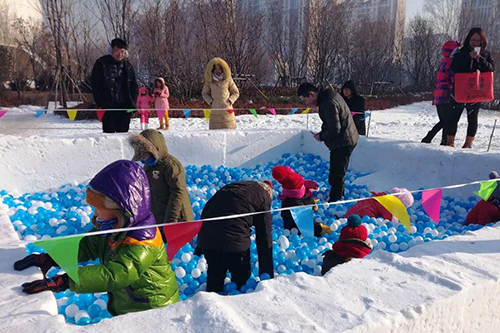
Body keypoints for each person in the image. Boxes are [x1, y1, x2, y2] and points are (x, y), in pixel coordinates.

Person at [15, 160, 180, 315]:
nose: (95, 213)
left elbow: (116, 274)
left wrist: (65, 281)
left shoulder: (143, 243)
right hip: (131, 304)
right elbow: (87, 245)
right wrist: (50, 259)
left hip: (154, 308)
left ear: (122, 209)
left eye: (99, 208)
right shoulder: (116, 226)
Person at [195, 181, 274, 293]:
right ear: (269, 192)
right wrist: (267, 274)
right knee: (241, 283)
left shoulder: (232, 187)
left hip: (210, 241)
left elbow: (206, 213)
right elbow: (264, 235)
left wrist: (201, 244)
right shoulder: (264, 197)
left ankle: (211, 305)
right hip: (235, 243)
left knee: (214, 279)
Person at [297, 82, 359, 202]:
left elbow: (335, 129)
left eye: (305, 99)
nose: (306, 103)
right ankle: (339, 193)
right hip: (344, 138)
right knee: (337, 171)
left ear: (311, 94)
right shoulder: (327, 96)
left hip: (344, 141)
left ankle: (335, 201)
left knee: (336, 175)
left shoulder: (328, 103)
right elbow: (332, 123)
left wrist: (322, 136)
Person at [129, 130, 194, 241]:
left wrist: (171, 220)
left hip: (177, 218)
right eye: (142, 158)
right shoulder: (149, 167)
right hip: (159, 216)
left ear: (155, 150)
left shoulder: (171, 165)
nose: (144, 160)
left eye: (146, 156)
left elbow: (178, 192)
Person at [449, 27, 494, 148]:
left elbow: (491, 69)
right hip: (460, 89)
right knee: (454, 117)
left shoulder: (486, 53)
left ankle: (468, 144)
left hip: (476, 91)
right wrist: (468, 57)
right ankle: (450, 142)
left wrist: (481, 60)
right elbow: (453, 67)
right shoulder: (460, 52)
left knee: (472, 118)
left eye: (478, 40)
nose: (475, 42)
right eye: (473, 39)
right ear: (468, 39)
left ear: (482, 41)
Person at [91, 38, 139, 133]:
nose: (120, 54)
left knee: (123, 134)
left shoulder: (128, 66)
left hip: (125, 105)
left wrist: (133, 103)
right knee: (109, 134)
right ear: (111, 50)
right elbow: (95, 85)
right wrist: (100, 103)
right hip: (108, 105)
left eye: (122, 51)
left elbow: (134, 86)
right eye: (117, 51)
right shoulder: (101, 64)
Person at [421, 40, 461, 146]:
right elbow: (451, 77)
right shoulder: (451, 62)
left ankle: (442, 140)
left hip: (438, 96)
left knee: (444, 120)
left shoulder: (444, 61)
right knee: (446, 121)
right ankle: (429, 138)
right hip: (446, 95)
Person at [271, 165, 331, 236]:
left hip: (301, 200)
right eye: (300, 188)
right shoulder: (291, 203)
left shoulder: (300, 190)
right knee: (294, 219)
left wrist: (312, 202)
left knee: (306, 196)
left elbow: (305, 186)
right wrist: (319, 228)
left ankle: (311, 204)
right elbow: (305, 220)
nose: (302, 188)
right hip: (295, 223)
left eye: (302, 186)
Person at [202, 57, 240, 130]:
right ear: (212, 70)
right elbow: (204, 93)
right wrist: (211, 102)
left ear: (223, 69)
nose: (217, 71)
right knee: (215, 136)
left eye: (219, 69)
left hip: (227, 112)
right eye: (216, 69)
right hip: (215, 113)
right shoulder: (209, 81)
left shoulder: (228, 79)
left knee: (229, 135)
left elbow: (236, 92)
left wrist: (230, 101)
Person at [344, 188, 414, 221]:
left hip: (357, 208)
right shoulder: (388, 206)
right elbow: (389, 219)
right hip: (362, 213)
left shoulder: (384, 197)